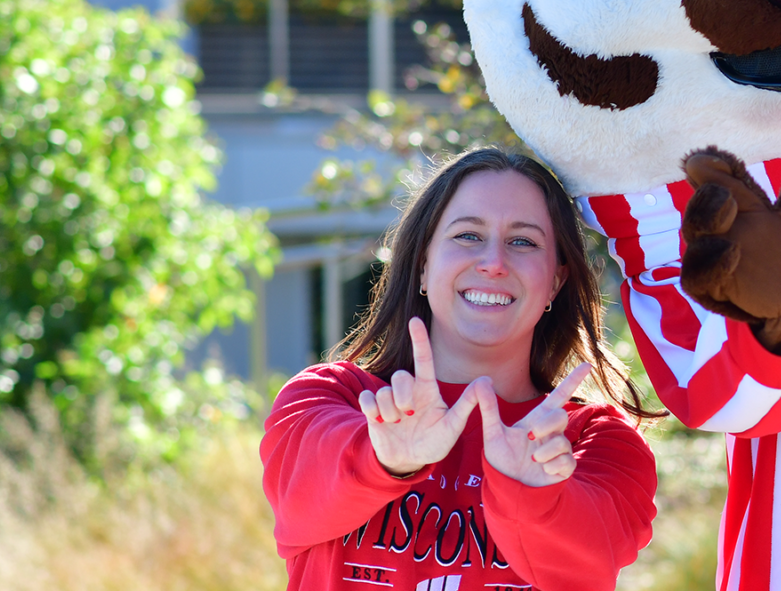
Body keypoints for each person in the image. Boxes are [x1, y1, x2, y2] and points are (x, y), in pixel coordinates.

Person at [261, 148, 659, 591]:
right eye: (468, 235)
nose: (493, 262)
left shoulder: (595, 441)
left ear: (556, 282)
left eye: (523, 241)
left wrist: (532, 495)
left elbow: (588, 567)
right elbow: (300, 501)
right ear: (423, 265)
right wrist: (384, 460)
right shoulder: (330, 399)